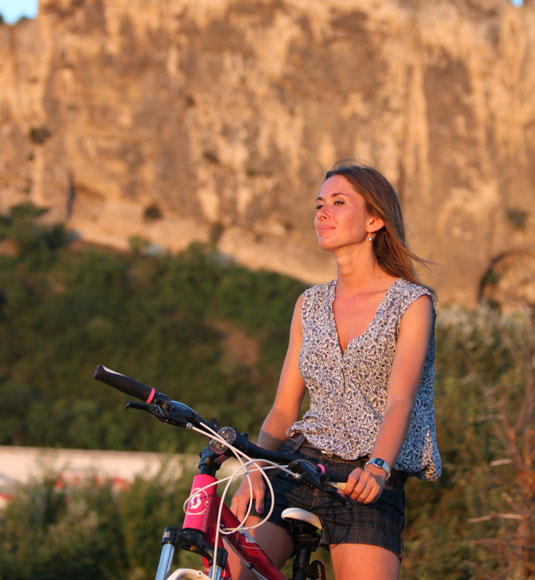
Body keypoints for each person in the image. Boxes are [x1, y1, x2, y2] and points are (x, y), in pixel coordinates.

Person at [229, 161, 441, 580]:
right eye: (319, 204)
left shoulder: (412, 303)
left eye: (338, 203)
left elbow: (401, 398)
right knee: (233, 572)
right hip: (298, 463)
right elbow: (285, 409)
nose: (322, 213)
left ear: (375, 220)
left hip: (367, 474)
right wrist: (253, 466)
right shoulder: (309, 303)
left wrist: (378, 469)